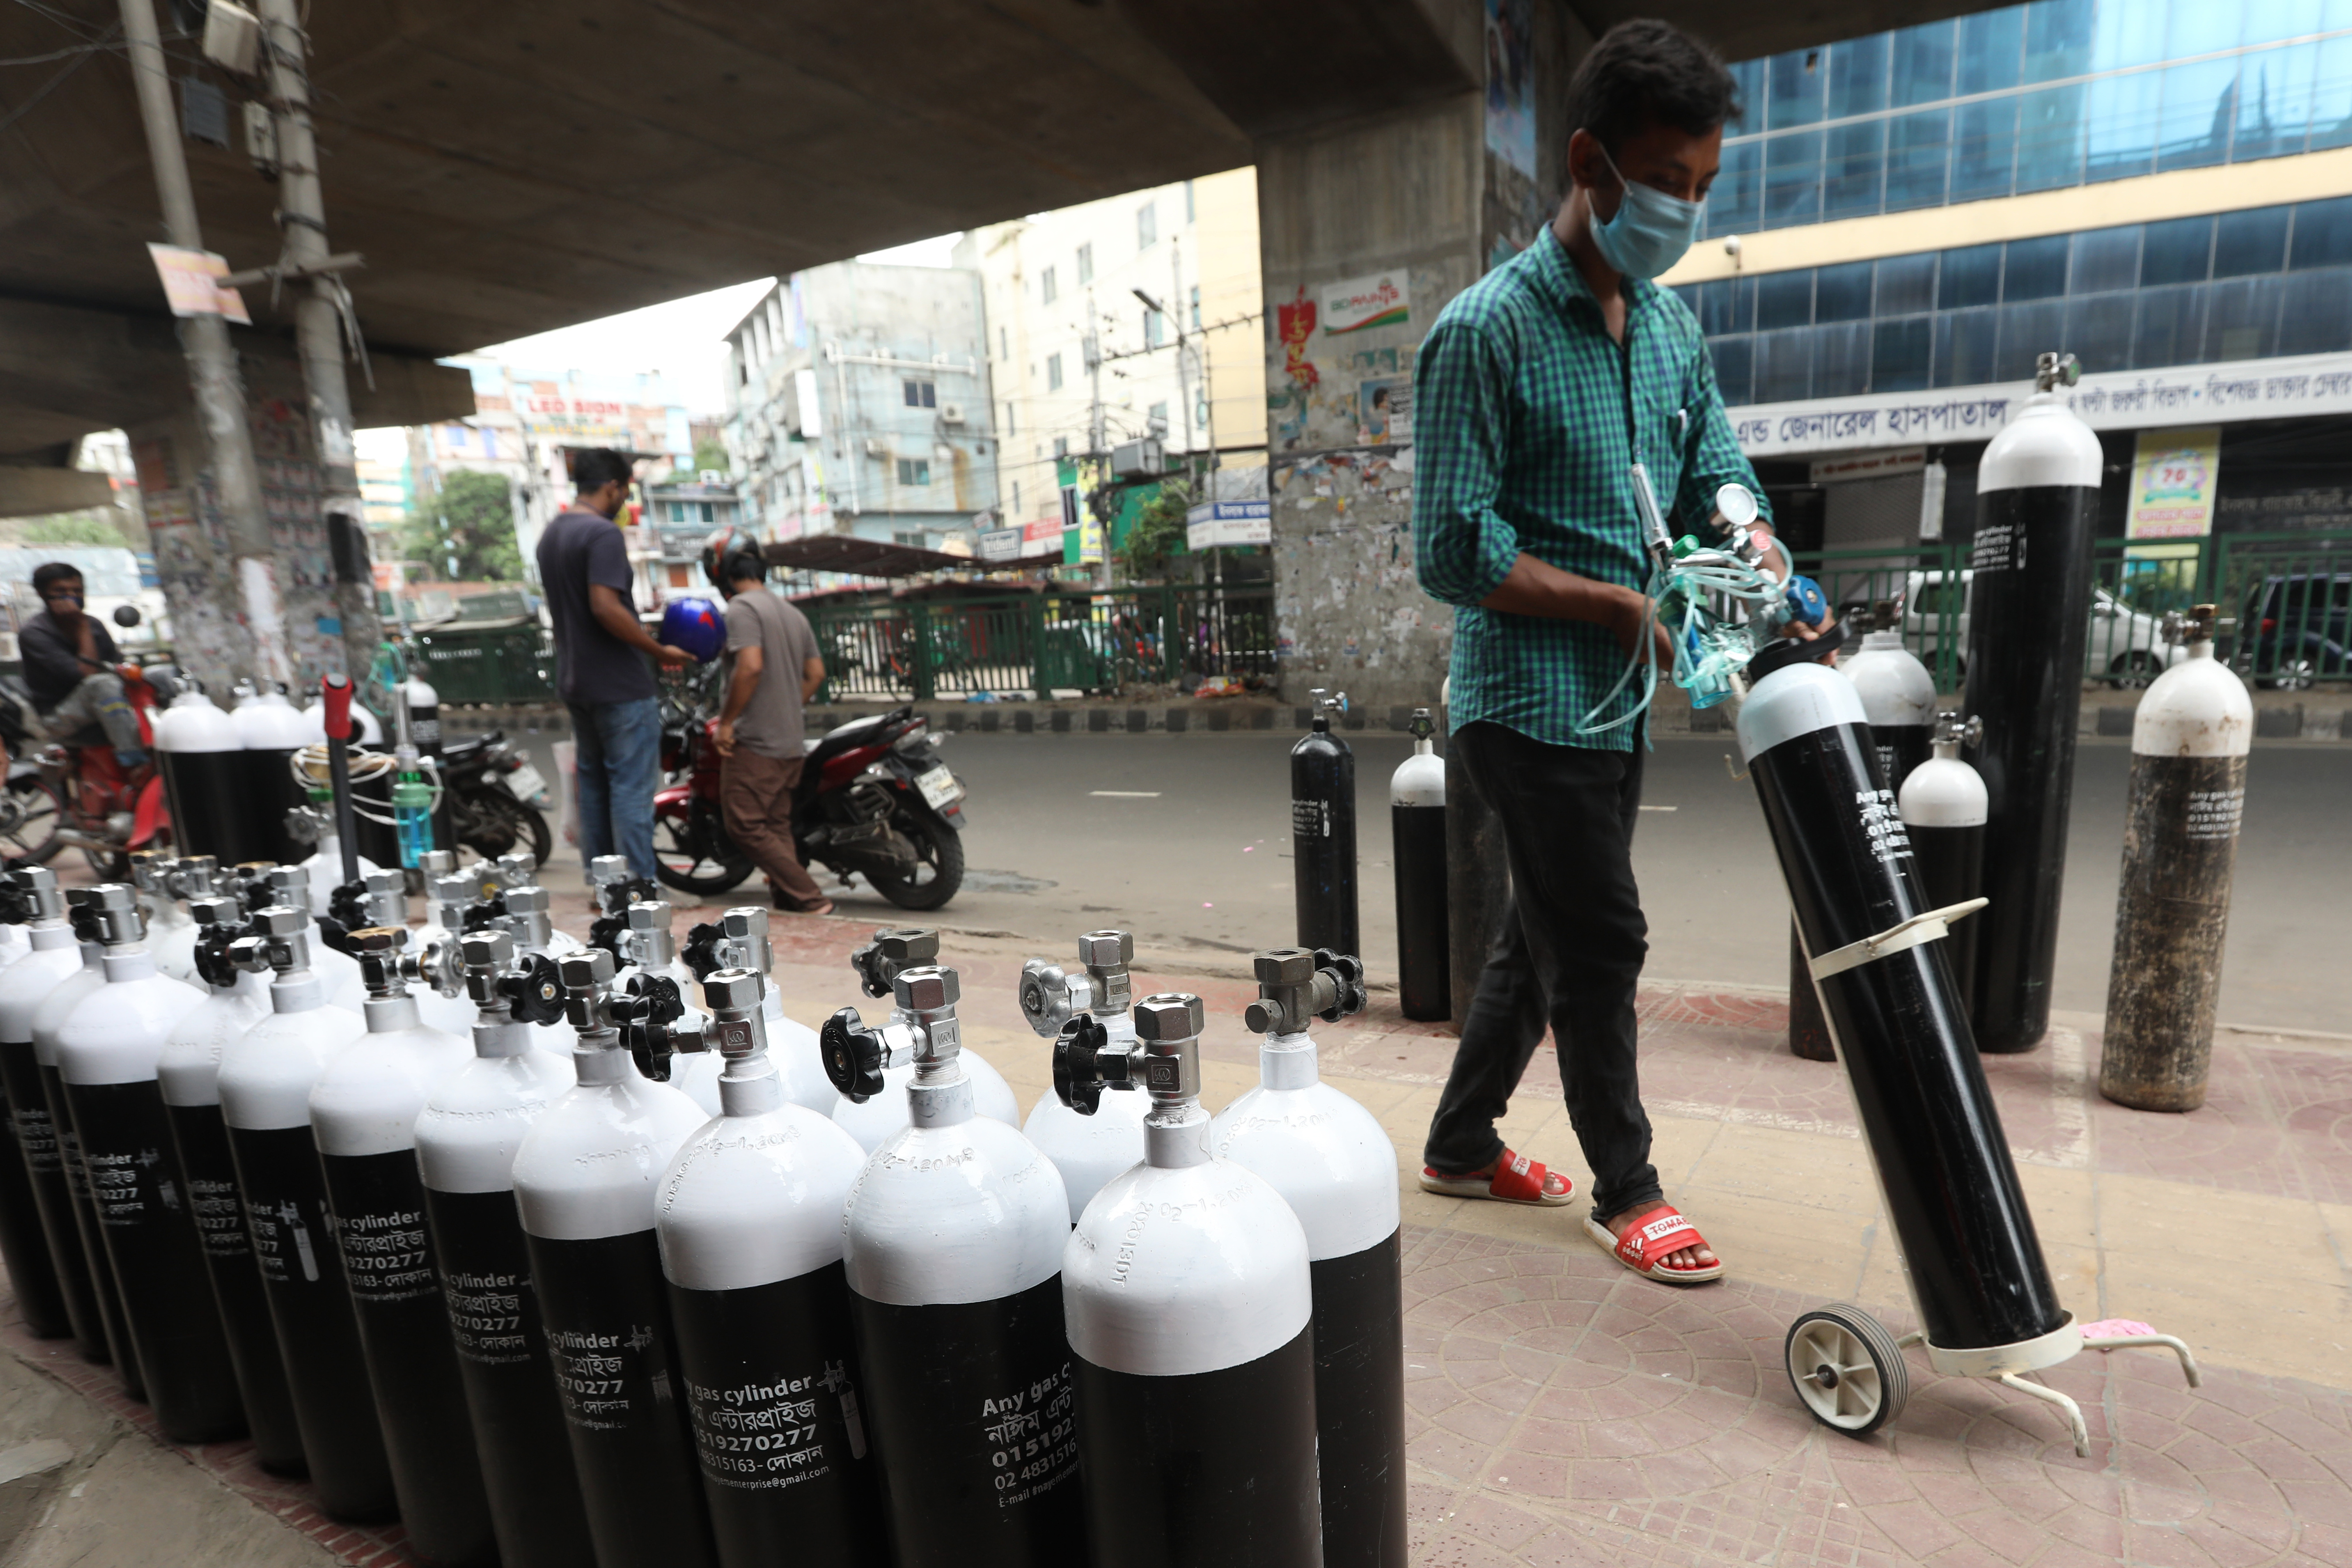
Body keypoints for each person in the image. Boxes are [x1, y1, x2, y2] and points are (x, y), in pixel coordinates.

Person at [1410, 19, 1829, 1285]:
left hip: (1616, 698)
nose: (1684, 210)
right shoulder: (1483, 333)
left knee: (1539, 936)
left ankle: (1459, 1141)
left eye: (1702, 188)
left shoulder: (1669, 329)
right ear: (1589, 162)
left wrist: (1749, 531)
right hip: (1526, 695)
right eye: (1664, 183)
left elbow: (1713, 463)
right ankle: (1628, 1186)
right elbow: (1452, 549)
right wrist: (1611, 607)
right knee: (1601, 937)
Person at [536, 449, 692, 881]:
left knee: (595, 787)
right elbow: (605, 606)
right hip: (619, 684)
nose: (624, 499)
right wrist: (660, 652)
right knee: (630, 790)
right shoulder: (602, 534)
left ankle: (602, 883)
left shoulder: (552, 534)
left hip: (577, 681)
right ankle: (639, 888)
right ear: (613, 487)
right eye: (625, 490)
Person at [703, 529, 833, 915]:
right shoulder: (791, 612)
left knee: (745, 824)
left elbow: (750, 666)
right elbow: (816, 675)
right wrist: (785, 705)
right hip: (791, 742)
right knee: (775, 826)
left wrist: (727, 722)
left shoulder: (743, 609)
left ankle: (811, 898)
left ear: (720, 571)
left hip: (757, 742)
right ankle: (790, 899)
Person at [18, 563, 148, 768]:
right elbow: (88, 675)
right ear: (42, 594)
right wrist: (82, 628)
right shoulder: (35, 633)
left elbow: (117, 665)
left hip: (104, 706)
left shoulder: (95, 625)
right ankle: (133, 761)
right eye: (61, 592)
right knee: (102, 684)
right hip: (58, 717)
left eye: (77, 591)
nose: (71, 597)